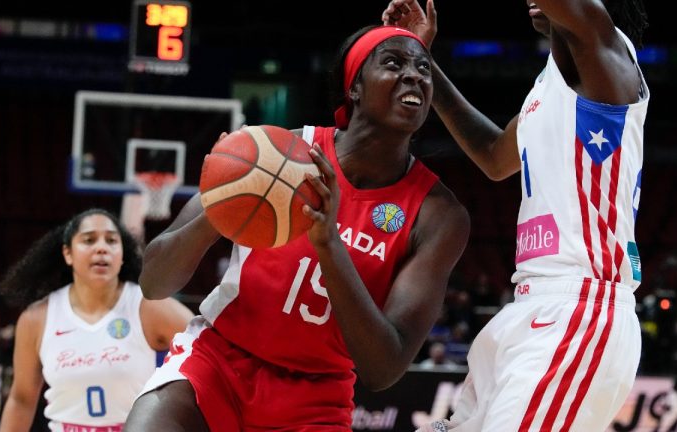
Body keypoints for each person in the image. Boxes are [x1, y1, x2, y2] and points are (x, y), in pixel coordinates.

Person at [124, 24, 470, 431]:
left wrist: (329, 244)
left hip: (315, 397)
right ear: (354, 88)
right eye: (393, 63)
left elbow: (384, 368)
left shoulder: (438, 214)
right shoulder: (276, 150)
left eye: (424, 68)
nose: (414, 75)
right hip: (219, 361)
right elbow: (153, 283)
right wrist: (224, 206)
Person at [383, 0, 650, 430]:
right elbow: (493, 158)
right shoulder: (550, 87)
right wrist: (425, 61)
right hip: (529, 307)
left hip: (579, 310)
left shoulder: (607, 50)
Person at [0, 208, 193, 432]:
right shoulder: (37, 318)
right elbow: (21, 400)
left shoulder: (148, 306)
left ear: (122, 255)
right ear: (68, 254)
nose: (101, 248)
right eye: (89, 240)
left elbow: (207, 348)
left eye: (111, 241)